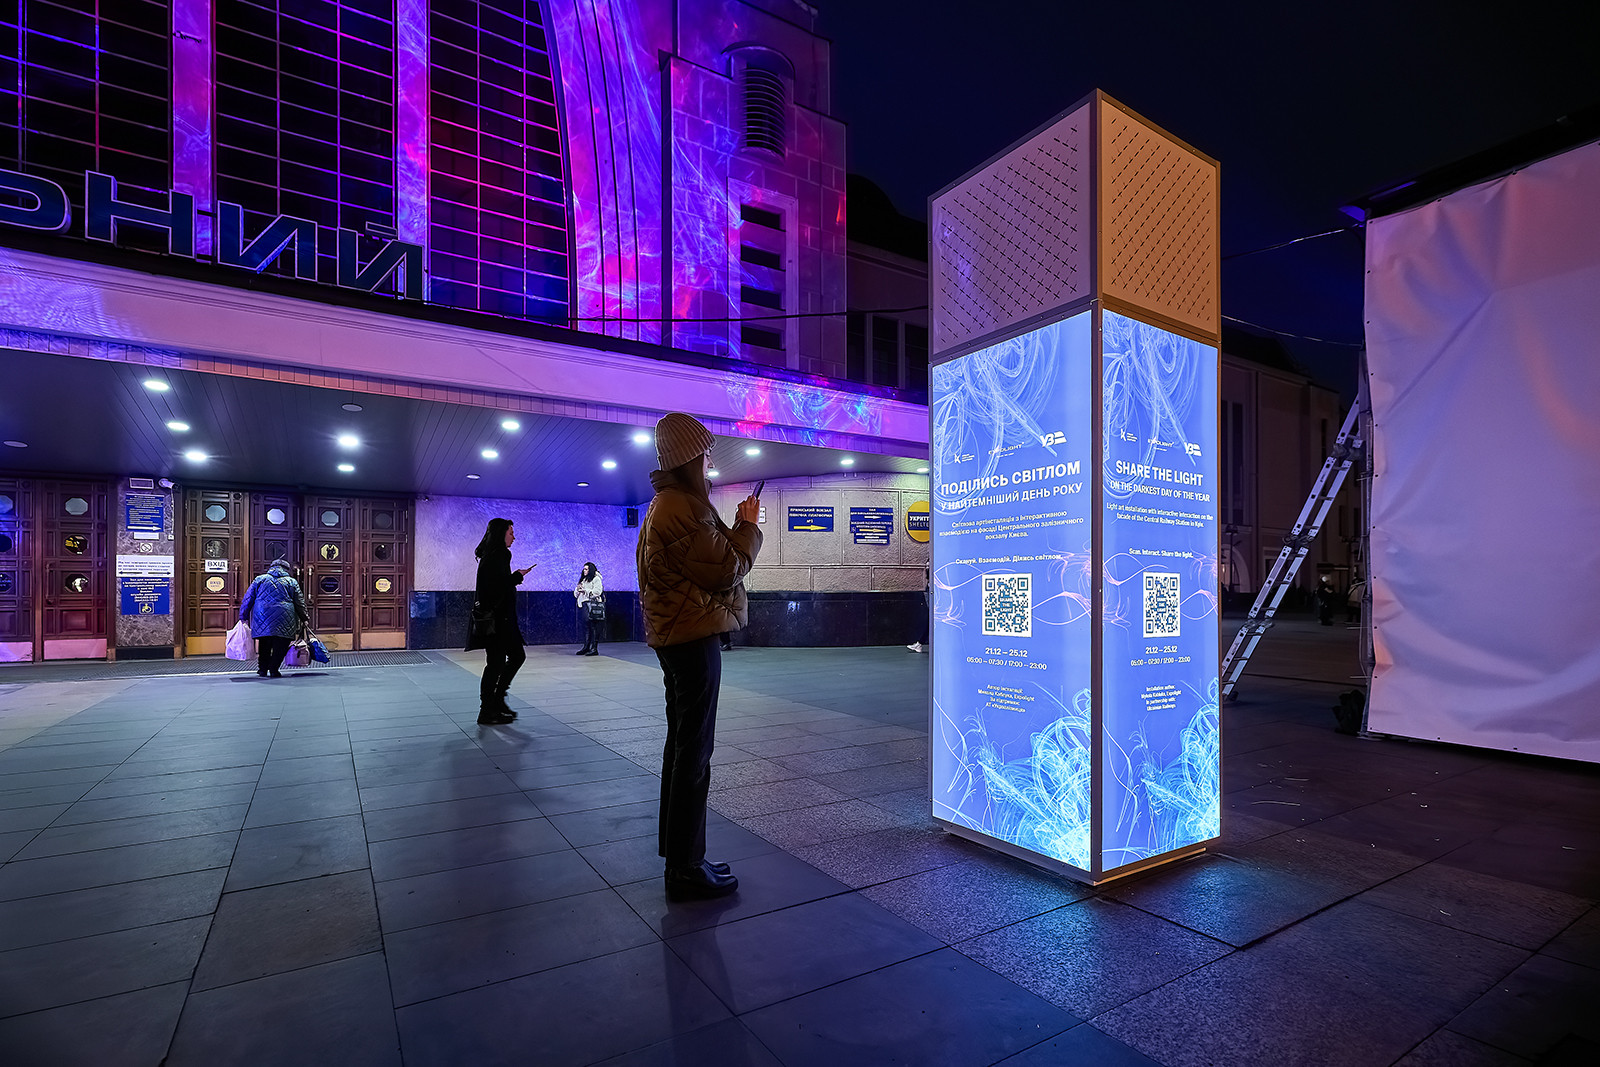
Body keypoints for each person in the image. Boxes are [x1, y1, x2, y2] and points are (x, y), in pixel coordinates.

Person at [638, 413, 762, 900]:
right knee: (693, 751)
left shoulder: (671, 504)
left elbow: (709, 561)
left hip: (680, 637)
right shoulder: (679, 507)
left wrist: (735, 525)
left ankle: (682, 859)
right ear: (689, 457)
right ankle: (686, 868)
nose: (710, 461)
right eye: (705, 453)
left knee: (682, 747)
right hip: (692, 639)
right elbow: (727, 568)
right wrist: (748, 527)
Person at [469, 517, 534, 725]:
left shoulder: (489, 554)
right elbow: (499, 586)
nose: (514, 537)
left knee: (497, 663)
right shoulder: (501, 554)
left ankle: (494, 704)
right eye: (511, 533)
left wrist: (513, 577)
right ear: (501, 534)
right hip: (499, 621)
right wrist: (517, 576)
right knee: (508, 660)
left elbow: (493, 584)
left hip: (493, 619)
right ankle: (490, 707)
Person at [239, 557, 308, 678]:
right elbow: (299, 602)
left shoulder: (259, 579)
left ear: (271, 568)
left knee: (264, 643)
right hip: (285, 617)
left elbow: (248, 599)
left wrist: (243, 615)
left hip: (262, 616)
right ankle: (274, 669)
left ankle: (262, 669)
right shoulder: (291, 582)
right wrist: (304, 618)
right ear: (286, 569)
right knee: (281, 644)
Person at [574, 561, 604, 656]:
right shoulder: (583, 579)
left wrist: (585, 591)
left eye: (586, 569)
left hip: (592, 605)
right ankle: (586, 647)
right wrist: (578, 590)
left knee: (593, 626)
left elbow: (597, 591)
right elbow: (575, 594)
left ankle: (594, 648)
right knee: (586, 627)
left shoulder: (596, 579)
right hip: (583, 605)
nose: (584, 571)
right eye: (584, 569)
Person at [908, 565, 931, 653]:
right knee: (930, 621)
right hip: (930, 589)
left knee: (930, 621)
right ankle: (920, 643)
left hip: (933, 591)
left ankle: (920, 643)